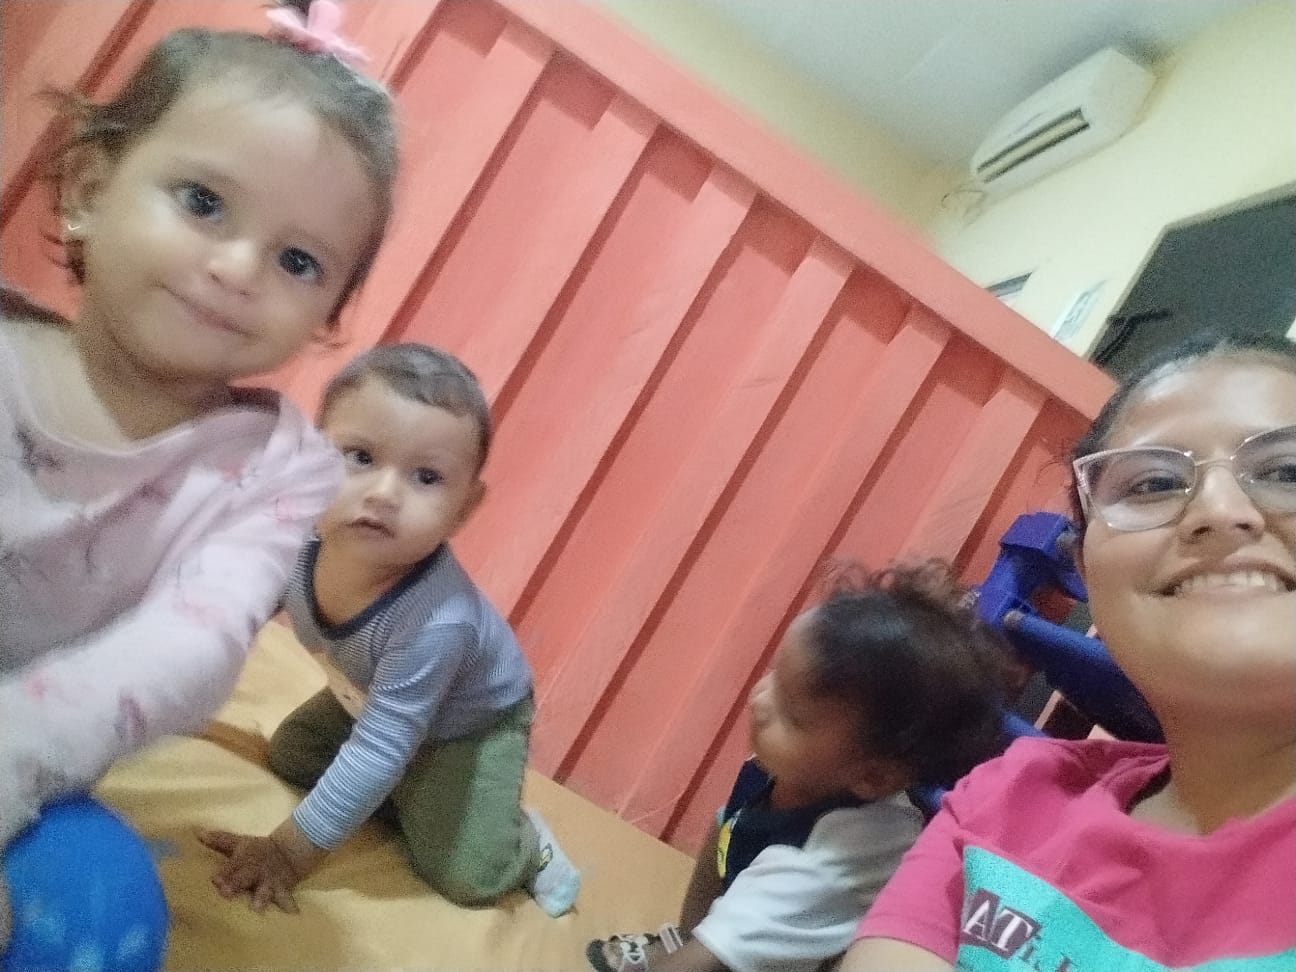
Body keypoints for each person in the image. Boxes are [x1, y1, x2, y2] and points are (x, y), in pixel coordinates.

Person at [0, 1, 398, 964]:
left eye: (297, 260)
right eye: (204, 202)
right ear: (89, 189)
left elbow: (191, 646)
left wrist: (11, 758)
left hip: (27, 765)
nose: (237, 268)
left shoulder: (278, 470)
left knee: (107, 906)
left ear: (327, 314)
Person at [844, 331, 1296, 970]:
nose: (1220, 511)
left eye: (1287, 472)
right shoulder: (1010, 800)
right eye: (1154, 483)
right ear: (1087, 571)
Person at [198, 344, 583, 918]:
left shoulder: (436, 623)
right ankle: (407, 790)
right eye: (359, 456)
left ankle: (528, 844)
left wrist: (287, 852)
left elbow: (379, 747)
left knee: (470, 874)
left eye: (426, 477)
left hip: (467, 725)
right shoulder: (299, 541)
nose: (383, 493)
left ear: (464, 509)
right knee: (292, 755)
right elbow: (230, 616)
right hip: (372, 698)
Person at [587, 561, 1012, 972]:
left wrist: (698, 953)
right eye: (775, 674)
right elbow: (725, 836)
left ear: (872, 776)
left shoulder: (823, 864)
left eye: (792, 714)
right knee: (727, 831)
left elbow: (712, 959)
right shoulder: (807, 773)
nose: (759, 702)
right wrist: (692, 936)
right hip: (751, 923)